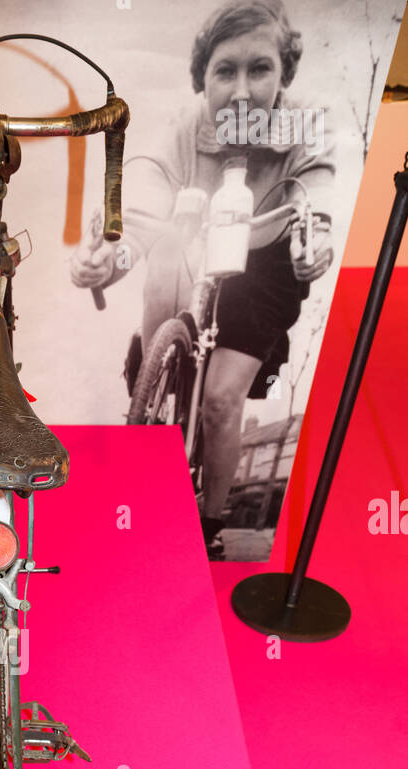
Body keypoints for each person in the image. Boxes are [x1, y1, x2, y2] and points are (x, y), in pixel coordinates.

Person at [71, 0, 335, 557]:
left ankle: (210, 522)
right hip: (197, 237)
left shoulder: (306, 123)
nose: (241, 90)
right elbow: (145, 198)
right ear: (204, 79)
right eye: (225, 71)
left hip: (265, 258)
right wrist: (109, 259)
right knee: (164, 256)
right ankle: (153, 397)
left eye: (259, 69)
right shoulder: (183, 126)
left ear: (283, 74)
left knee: (219, 400)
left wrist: (317, 241)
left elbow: (318, 196)